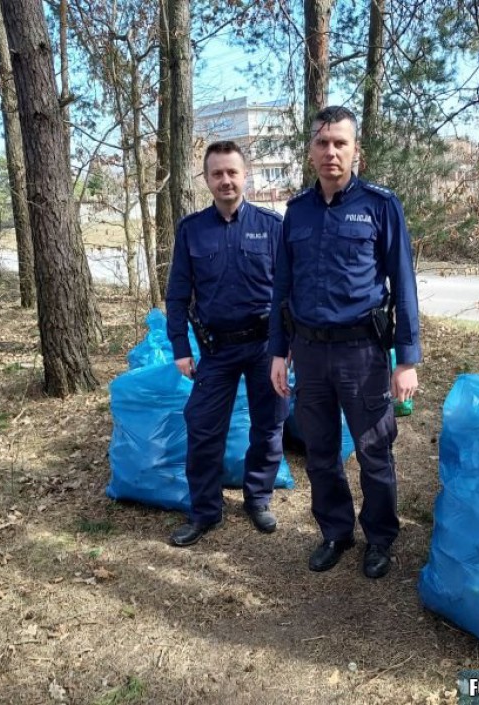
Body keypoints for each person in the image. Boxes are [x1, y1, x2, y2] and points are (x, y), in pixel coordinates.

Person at [268, 105, 422, 579]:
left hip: (362, 353)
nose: (331, 151)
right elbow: (282, 286)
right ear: (311, 151)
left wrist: (406, 358)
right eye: (322, 142)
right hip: (310, 354)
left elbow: (403, 283)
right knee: (319, 450)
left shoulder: (379, 205)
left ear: (357, 151)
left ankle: (379, 538)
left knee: (374, 450)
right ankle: (335, 531)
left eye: (340, 143)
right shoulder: (295, 212)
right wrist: (279, 350)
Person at [165, 140, 289, 547]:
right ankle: (205, 511)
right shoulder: (191, 230)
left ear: (245, 175)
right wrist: (181, 347)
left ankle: (258, 498)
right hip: (215, 350)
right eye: (217, 173)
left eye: (232, 172)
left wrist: (285, 348)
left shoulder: (273, 227)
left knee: (268, 425)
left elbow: (288, 293)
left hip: (264, 348)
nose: (225, 180)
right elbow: (178, 293)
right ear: (206, 179)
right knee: (201, 427)